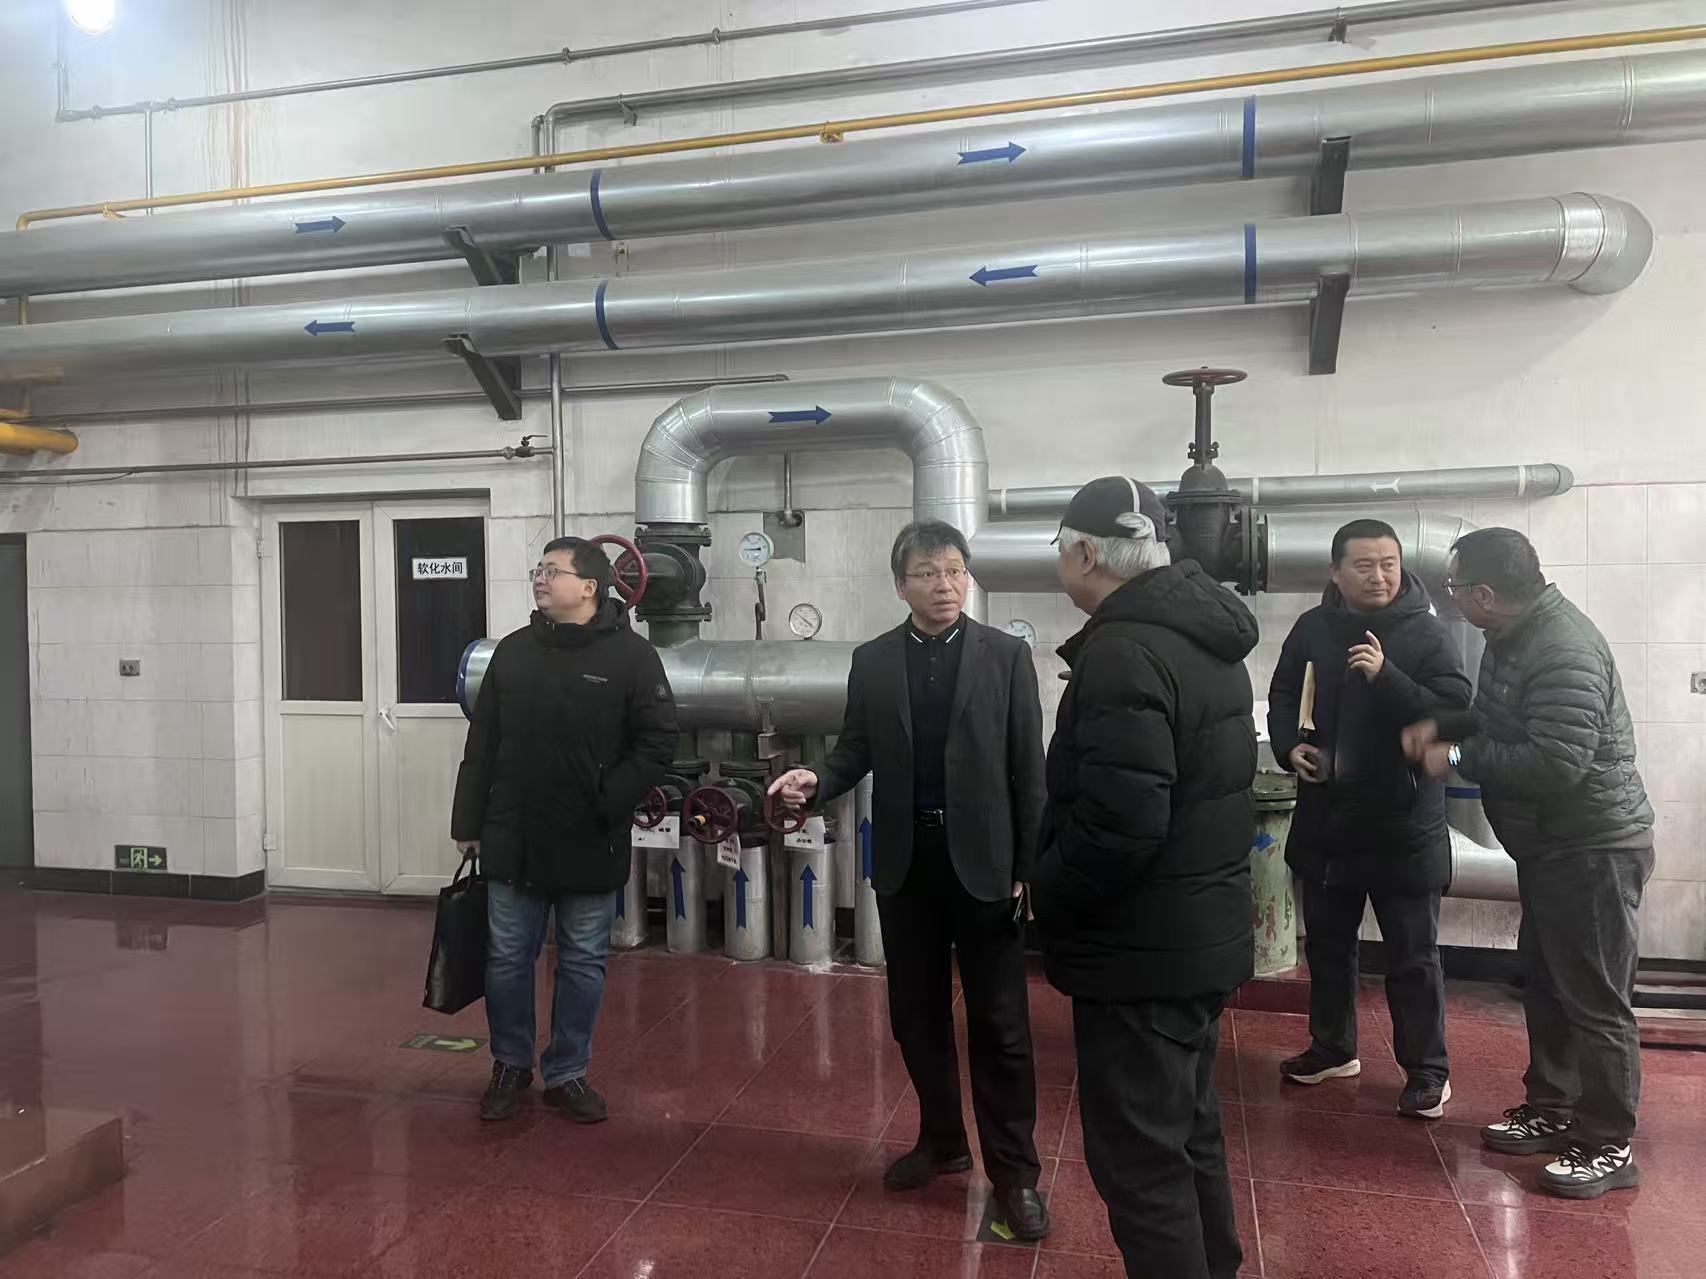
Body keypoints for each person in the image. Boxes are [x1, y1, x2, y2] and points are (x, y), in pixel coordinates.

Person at [768, 519, 1050, 1240]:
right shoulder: (873, 661)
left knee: (1001, 1024)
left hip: (986, 865)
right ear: (901, 585)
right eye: (928, 573)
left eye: (955, 571)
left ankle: (1015, 1175)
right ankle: (943, 1140)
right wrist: (815, 779)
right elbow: (855, 749)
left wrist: (1029, 869)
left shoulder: (1006, 656)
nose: (945, 585)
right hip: (906, 862)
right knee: (915, 1015)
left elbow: (1030, 770)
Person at [1029, 477, 1257, 1279]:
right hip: (1196, 932)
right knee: (1188, 1134)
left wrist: (1046, 891)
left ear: (1087, 553)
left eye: (1062, 551)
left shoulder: (1125, 649)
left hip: (1141, 950)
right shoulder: (1203, 635)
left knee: (1141, 1164)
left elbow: (1121, 825)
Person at [1403, 527, 1653, 1200]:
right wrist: (1449, 727)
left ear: (1485, 593)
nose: (1454, 598)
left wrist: (1456, 757)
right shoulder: (1512, 635)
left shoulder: (1562, 648)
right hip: (1551, 846)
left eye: (1456, 588)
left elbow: (1555, 761)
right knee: (1546, 984)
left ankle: (1608, 1143)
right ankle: (1554, 1106)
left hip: (1593, 847)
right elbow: (1499, 719)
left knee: (1596, 1001)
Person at [451, 536, 676, 1124]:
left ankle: (568, 1070)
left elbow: (657, 743)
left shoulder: (631, 657)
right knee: (507, 959)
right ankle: (509, 1064)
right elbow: (482, 743)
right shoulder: (513, 652)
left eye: (553, 571)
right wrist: (467, 822)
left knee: (581, 961)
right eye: (539, 569)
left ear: (589, 587)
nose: (541, 579)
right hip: (514, 835)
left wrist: (608, 799)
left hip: (590, 836)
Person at [1266, 519, 1472, 1119]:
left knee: (1412, 956)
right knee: (1329, 945)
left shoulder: (1426, 633)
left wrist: (1388, 677)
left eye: (1389, 564)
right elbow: (1283, 694)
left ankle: (1428, 1071)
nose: (1379, 576)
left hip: (1402, 825)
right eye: (1364, 565)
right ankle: (1333, 1047)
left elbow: (1455, 713)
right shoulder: (1313, 627)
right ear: (1336, 573)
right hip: (1329, 819)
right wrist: (1289, 747)